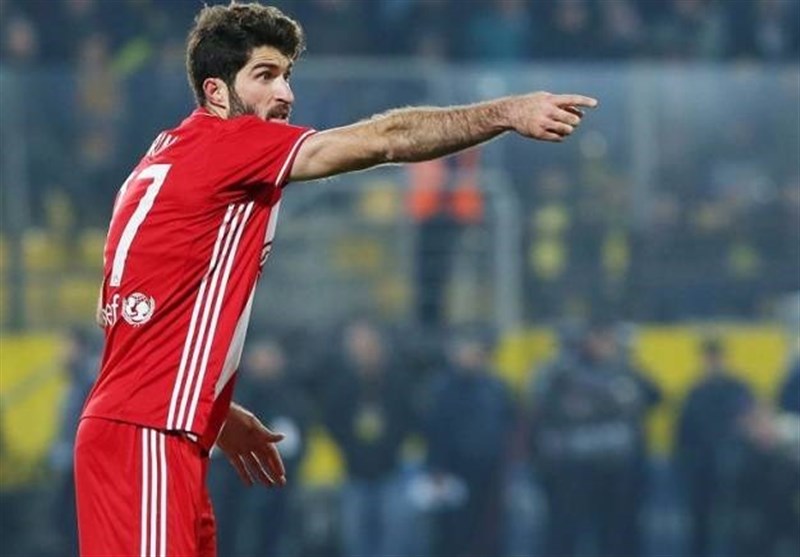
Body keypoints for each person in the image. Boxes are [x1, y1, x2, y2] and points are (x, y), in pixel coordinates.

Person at [74, 3, 598, 556]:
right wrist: (507, 112)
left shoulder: (167, 154)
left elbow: (146, 314)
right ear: (216, 92)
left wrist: (213, 410)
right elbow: (387, 139)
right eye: (264, 76)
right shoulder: (227, 147)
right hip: (149, 434)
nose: (285, 94)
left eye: (287, 76)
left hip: (149, 427)